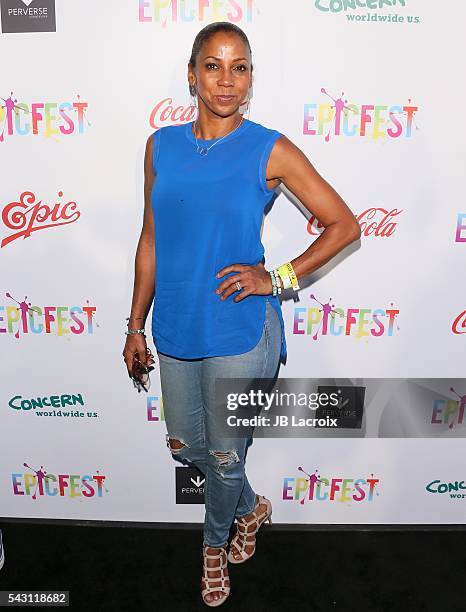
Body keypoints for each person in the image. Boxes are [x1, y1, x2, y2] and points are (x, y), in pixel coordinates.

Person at [123, 22, 360, 607]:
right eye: (213, 65)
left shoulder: (268, 147)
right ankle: (251, 505)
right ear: (192, 74)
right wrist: (134, 323)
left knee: (226, 452)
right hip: (174, 325)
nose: (227, 79)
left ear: (252, 78)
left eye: (240, 67)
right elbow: (151, 238)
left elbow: (344, 224)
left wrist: (276, 279)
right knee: (187, 445)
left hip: (239, 328)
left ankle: (213, 545)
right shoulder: (161, 146)